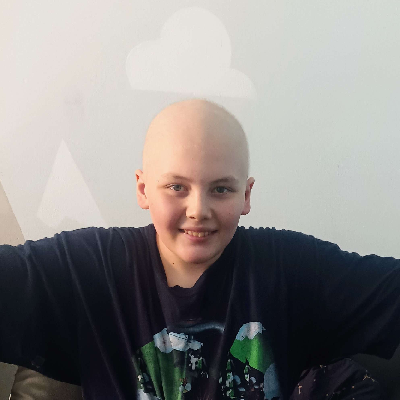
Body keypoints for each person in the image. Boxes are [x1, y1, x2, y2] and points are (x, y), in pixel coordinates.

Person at [0, 98, 399, 400]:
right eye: (177, 187)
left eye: (221, 189)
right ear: (143, 189)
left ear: (246, 195)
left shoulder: (289, 268)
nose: (198, 210)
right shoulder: (89, 268)